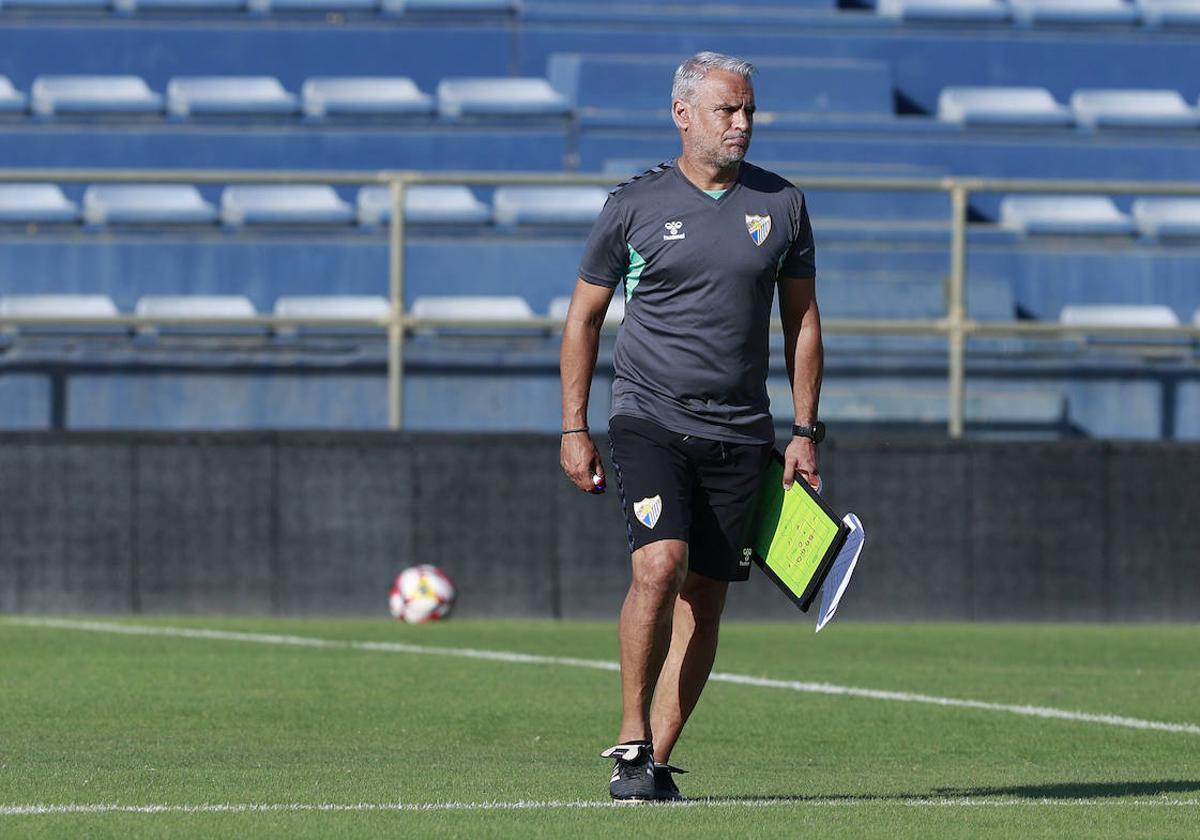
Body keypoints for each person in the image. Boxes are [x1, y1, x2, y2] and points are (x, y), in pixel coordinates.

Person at [558, 51, 825, 803]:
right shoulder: (632, 207)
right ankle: (631, 736)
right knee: (657, 565)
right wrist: (573, 427)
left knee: (706, 597)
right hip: (648, 418)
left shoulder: (784, 205)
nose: (741, 124)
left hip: (743, 432)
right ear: (683, 115)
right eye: (726, 111)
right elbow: (582, 320)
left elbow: (802, 322)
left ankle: (655, 764)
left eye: (747, 110)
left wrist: (806, 430)